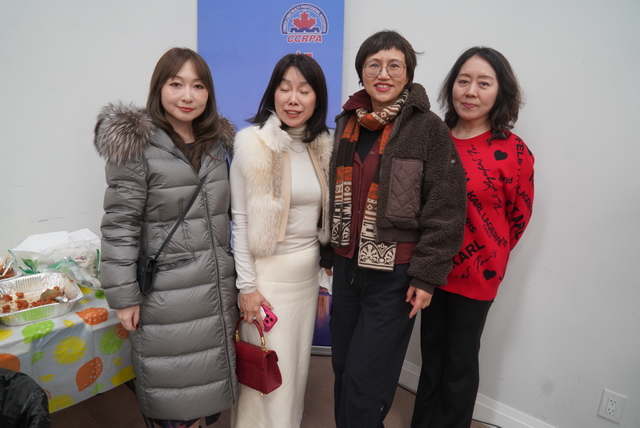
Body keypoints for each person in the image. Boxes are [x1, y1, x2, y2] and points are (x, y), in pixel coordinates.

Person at [326, 30, 467, 428]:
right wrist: (329, 250)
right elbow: (332, 194)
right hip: (347, 268)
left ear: (408, 73)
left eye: (394, 65)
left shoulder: (428, 129)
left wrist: (426, 277)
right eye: (374, 64)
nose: (383, 73)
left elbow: (446, 206)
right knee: (343, 367)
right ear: (362, 71)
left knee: (366, 378)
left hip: (394, 276)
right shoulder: (346, 122)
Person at [94, 47, 237, 428]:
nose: (187, 95)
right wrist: (124, 296)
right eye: (176, 84)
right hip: (165, 294)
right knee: (174, 397)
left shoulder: (217, 144)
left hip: (215, 290)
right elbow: (119, 223)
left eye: (198, 86)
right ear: (159, 88)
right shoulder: (137, 146)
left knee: (206, 396)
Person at [411, 47, 535, 428]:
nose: (470, 91)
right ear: (452, 87)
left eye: (483, 83)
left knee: (460, 361)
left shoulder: (513, 151)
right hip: (431, 271)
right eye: (463, 81)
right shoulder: (435, 138)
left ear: (500, 91)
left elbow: (517, 218)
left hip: (478, 274)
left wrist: (488, 253)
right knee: (431, 354)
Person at [230, 54, 332, 428]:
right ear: (272, 92)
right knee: (264, 376)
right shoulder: (251, 144)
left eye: (304, 90)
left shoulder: (324, 145)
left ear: (317, 98)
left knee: (294, 373)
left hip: (306, 280)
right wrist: (247, 287)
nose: (293, 98)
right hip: (267, 282)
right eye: (284, 88)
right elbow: (240, 222)